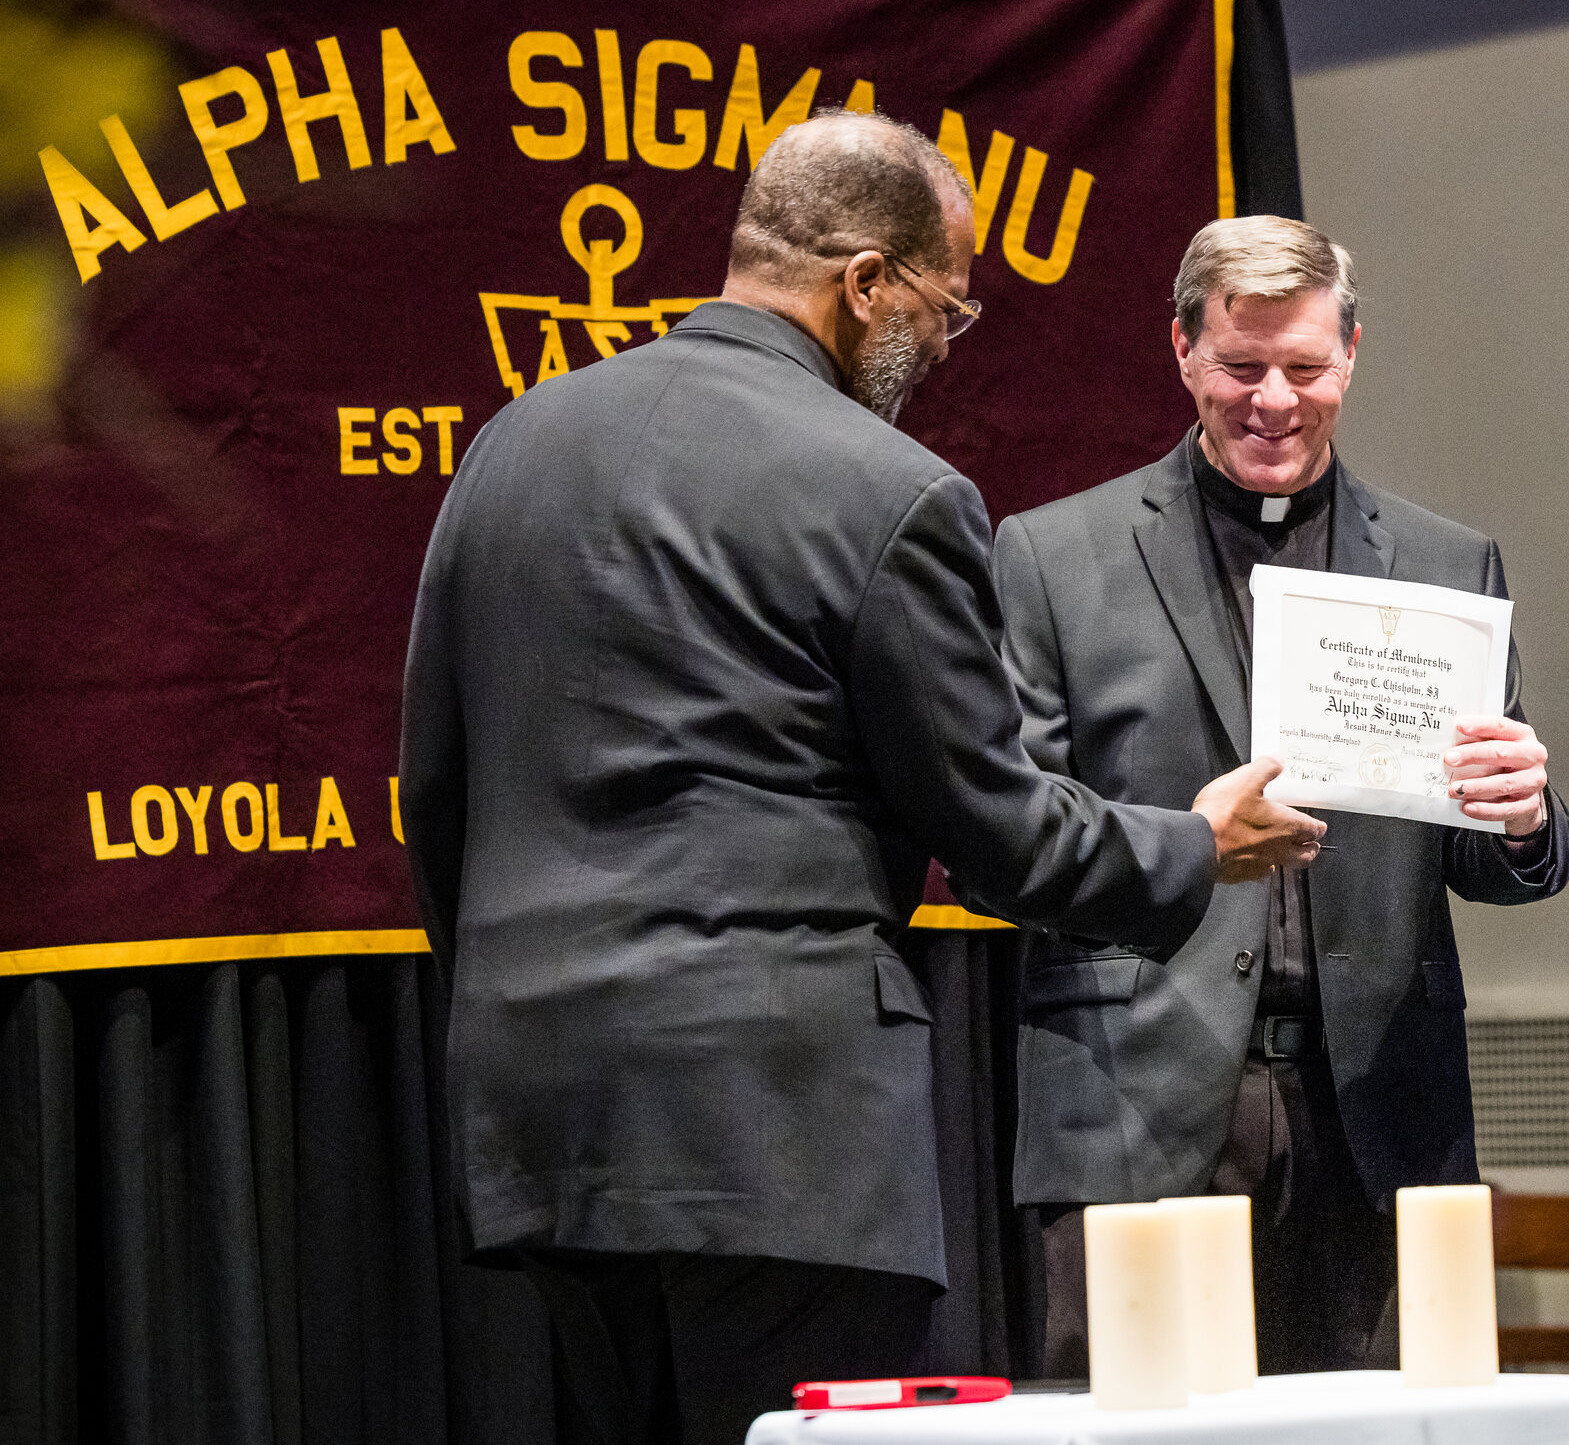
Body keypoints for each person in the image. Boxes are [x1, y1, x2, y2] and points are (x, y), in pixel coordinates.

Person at [398, 115, 1324, 1445]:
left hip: (543, 1122)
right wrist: (1192, 843)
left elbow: (435, 789)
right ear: (863, 281)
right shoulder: (888, 491)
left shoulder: (510, 450)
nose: (944, 345)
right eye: (945, 307)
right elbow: (1000, 831)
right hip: (777, 1136)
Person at [993, 214, 1569, 1376]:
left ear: (1352, 355)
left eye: (1305, 368)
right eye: (1241, 366)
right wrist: (1188, 843)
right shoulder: (1055, 556)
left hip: (1377, 1114)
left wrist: (1516, 816)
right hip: (1134, 1104)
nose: (1274, 399)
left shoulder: (1445, 561)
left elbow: (1476, 849)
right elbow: (1009, 840)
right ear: (1182, 351)